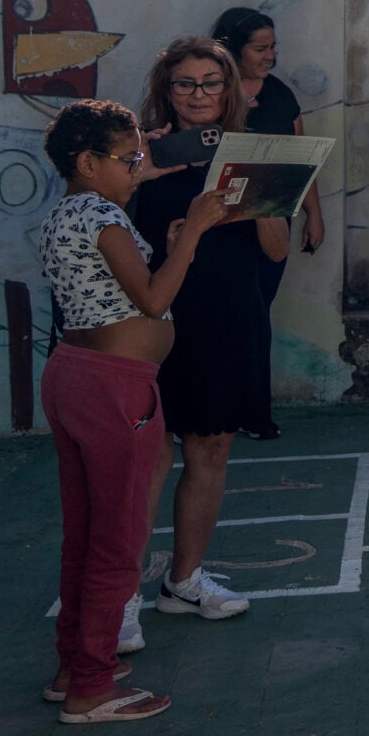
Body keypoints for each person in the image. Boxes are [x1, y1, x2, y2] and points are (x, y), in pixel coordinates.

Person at [36, 100, 237, 723]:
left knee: (85, 533)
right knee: (117, 540)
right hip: (114, 388)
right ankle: (92, 689)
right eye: (128, 160)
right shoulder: (103, 214)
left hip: (75, 376)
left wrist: (172, 246)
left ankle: (75, 666)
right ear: (87, 163)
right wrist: (194, 231)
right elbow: (152, 300)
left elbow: (119, 290)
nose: (138, 170)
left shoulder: (67, 212)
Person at [131, 37, 288, 622]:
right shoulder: (139, 150)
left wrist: (257, 196)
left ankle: (183, 582)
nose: (199, 95)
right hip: (154, 318)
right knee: (149, 456)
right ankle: (119, 596)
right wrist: (141, 174)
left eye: (211, 82)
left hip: (229, 315)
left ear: (229, 89)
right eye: (185, 84)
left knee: (212, 448)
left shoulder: (253, 151)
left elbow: (276, 250)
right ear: (166, 90)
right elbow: (107, 228)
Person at [212, 6, 325, 309]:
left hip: (272, 223)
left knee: (260, 306)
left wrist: (314, 214)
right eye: (260, 49)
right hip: (219, 225)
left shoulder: (280, 95)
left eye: (273, 47)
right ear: (234, 49)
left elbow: (301, 160)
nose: (270, 56)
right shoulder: (207, 95)